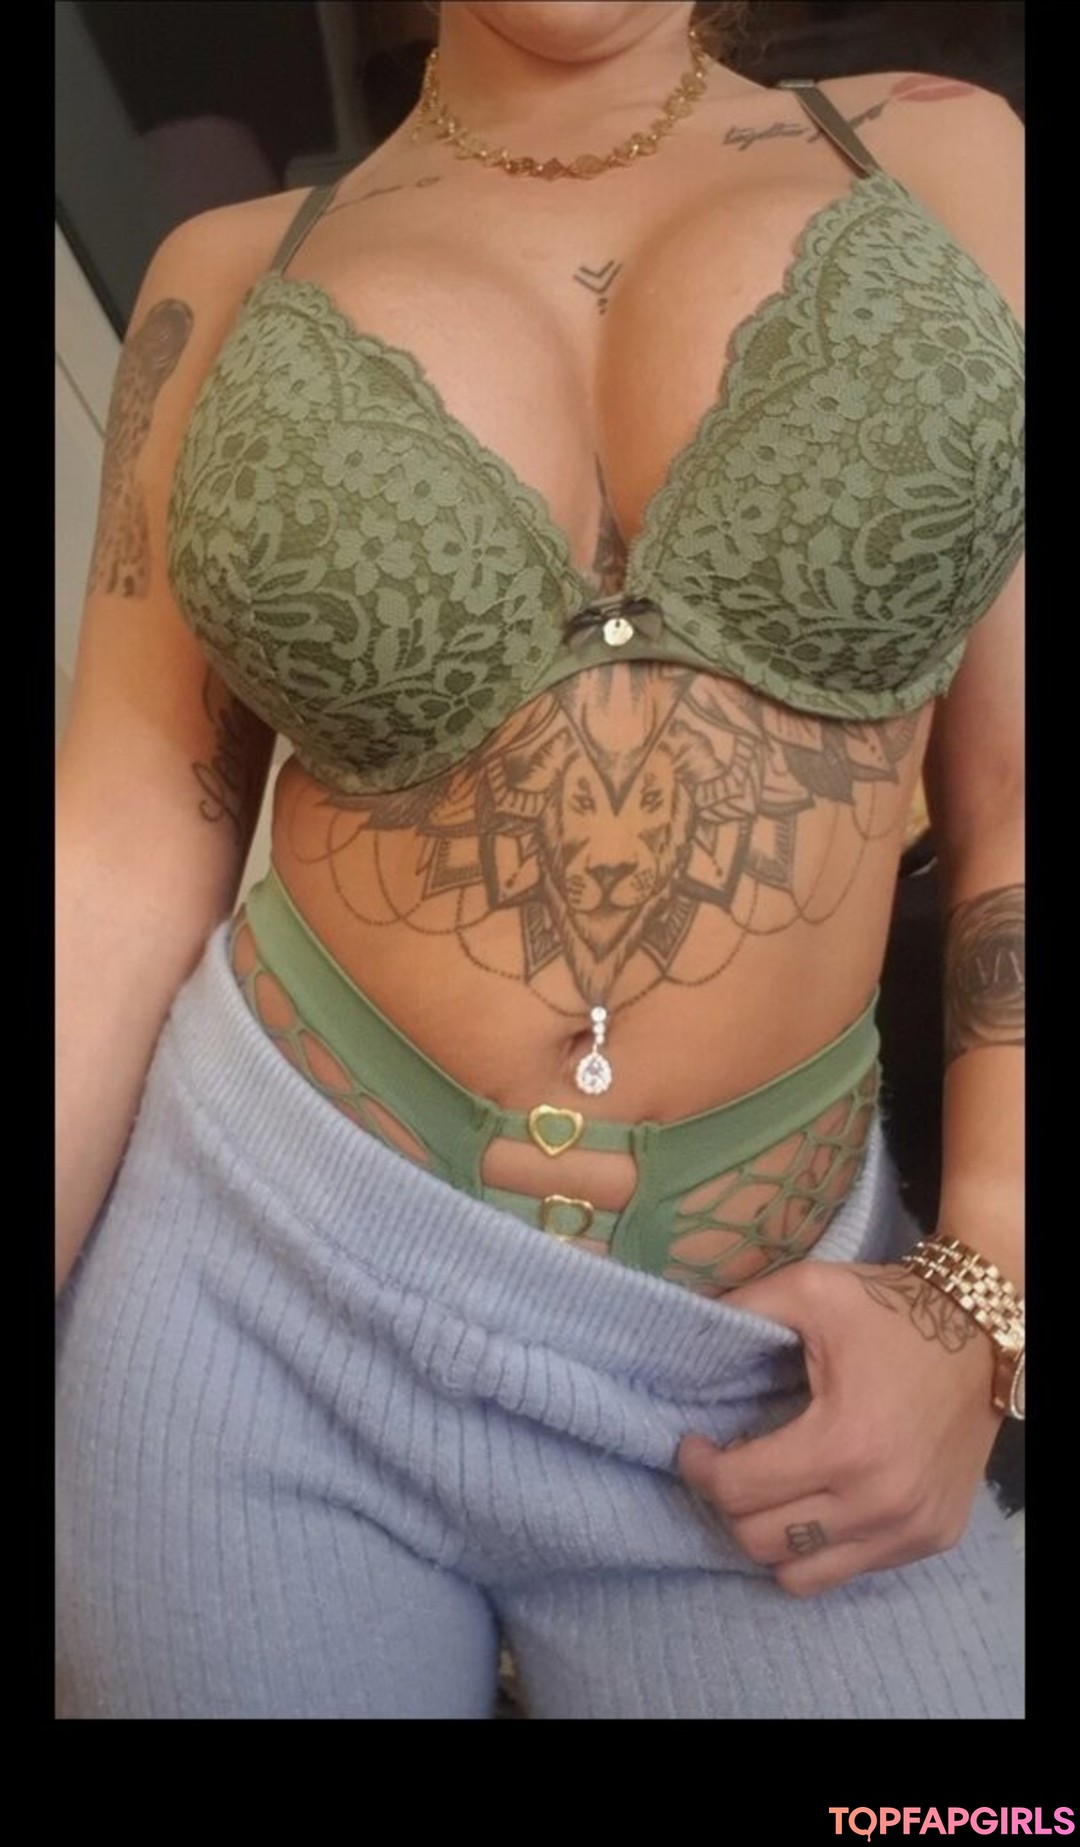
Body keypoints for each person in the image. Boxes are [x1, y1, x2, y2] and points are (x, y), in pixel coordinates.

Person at [55, 0, 1024, 1720]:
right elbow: (120, 851)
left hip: (771, 1351)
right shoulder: (232, 272)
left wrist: (991, 1295)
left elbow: (1019, 787)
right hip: (256, 1291)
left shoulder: (945, 157)